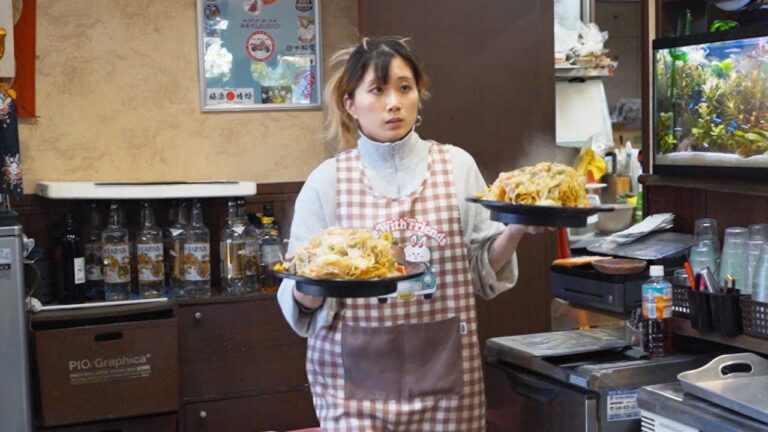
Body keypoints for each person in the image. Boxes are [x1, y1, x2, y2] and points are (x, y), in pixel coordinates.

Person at [277, 36, 546, 431]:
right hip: (354, 384)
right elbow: (298, 290)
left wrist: (517, 226)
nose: (394, 103)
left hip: (445, 378)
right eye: (377, 90)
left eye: (405, 88)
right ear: (350, 104)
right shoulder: (327, 181)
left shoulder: (457, 166)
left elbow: (480, 270)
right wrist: (310, 284)